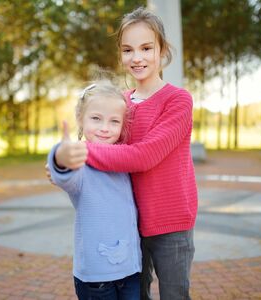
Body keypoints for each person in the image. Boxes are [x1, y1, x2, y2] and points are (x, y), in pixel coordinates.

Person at [54, 7, 197, 300]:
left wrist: (81, 151)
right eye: (128, 50)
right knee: (137, 295)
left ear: (162, 50)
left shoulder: (178, 101)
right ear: (120, 55)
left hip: (171, 221)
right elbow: (102, 143)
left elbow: (143, 156)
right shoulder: (120, 103)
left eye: (146, 48)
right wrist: (65, 162)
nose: (137, 57)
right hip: (130, 223)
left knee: (174, 295)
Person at [47, 79, 142, 300]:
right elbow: (66, 177)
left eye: (114, 121)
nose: (105, 128)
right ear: (80, 119)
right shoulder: (81, 161)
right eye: (96, 118)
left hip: (131, 269)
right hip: (96, 278)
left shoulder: (124, 159)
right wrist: (61, 157)